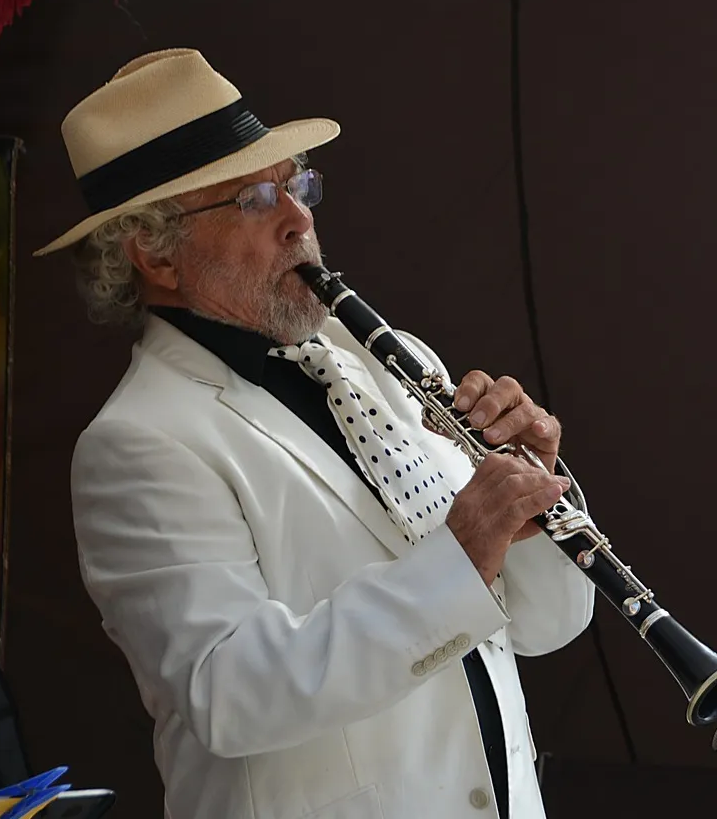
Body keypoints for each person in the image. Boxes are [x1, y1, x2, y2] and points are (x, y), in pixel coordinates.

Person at [35, 48, 595, 819]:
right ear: (154, 251)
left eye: (297, 184)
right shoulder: (139, 443)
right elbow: (230, 694)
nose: (298, 216)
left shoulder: (386, 360)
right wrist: (463, 549)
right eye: (254, 199)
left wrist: (532, 499)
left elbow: (543, 625)